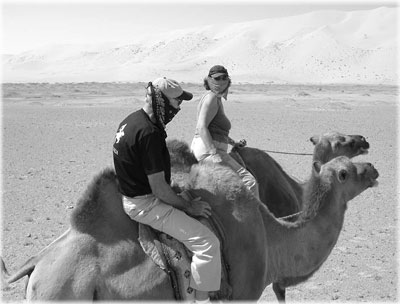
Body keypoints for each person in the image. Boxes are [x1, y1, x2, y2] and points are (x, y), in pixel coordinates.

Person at [113, 77, 221, 303]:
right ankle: (201, 299)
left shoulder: (131, 120)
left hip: (134, 194)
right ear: (161, 101)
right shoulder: (149, 133)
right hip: (146, 205)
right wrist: (189, 206)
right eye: (176, 102)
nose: (179, 107)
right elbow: (160, 189)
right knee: (207, 243)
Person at [191, 65, 259, 200]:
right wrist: (213, 152)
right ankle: (256, 219)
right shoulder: (211, 98)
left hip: (209, 147)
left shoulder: (215, 98)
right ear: (209, 80)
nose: (221, 82)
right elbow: (202, 126)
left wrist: (234, 142)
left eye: (224, 78)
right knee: (249, 182)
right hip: (209, 150)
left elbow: (215, 129)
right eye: (217, 78)